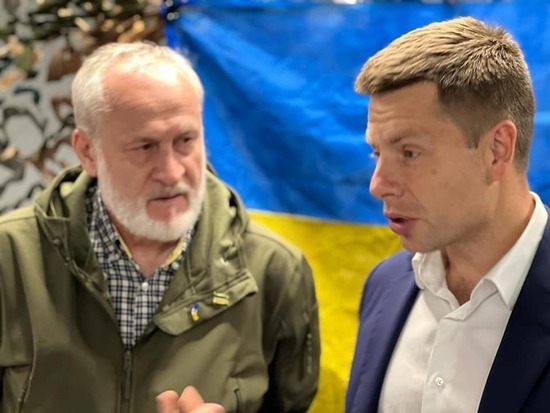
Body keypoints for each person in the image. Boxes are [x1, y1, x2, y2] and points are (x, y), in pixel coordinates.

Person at [0, 41, 320, 413]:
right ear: (88, 151)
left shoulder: (275, 271)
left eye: (185, 140)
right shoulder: (9, 257)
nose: (171, 172)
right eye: (145, 147)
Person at [346, 16, 550, 413]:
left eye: (409, 153)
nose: (378, 184)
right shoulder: (385, 284)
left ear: (497, 149)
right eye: (377, 152)